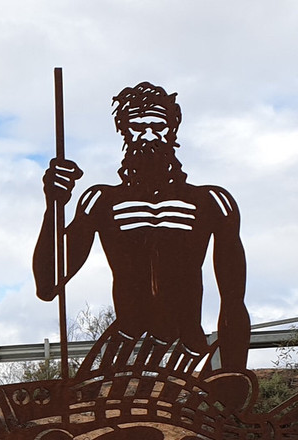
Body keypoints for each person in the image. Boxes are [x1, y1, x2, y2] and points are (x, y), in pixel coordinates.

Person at [33, 82, 251, 371]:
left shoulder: (211, 202)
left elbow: (233, 299)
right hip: (124, 348)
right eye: (136, 127)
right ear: (123, 132)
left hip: (187, 348)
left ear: (173, 129)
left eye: (158, 126)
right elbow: (49, 285)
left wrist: (232, 371)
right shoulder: (100, 201)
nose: (148, 136)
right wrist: (53, 206)